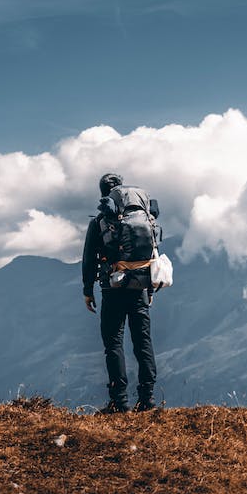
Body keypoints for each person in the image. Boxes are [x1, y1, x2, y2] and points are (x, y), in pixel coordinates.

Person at [82, 172, 158, 413]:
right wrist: (149, 286)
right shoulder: (144, 217)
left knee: (113, 343)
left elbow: (88, 259)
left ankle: (119, 402)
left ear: (104, 193)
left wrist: (87, 291)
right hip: (139, 288)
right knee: (142, 342)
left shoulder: (99, 223)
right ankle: (147, 400)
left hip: (112, 289)